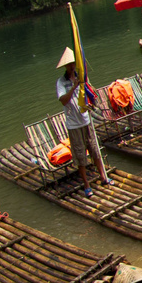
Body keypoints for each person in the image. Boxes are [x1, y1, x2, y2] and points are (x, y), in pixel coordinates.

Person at [56, 49, 98, 197]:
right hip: (74, 124)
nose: (71, 66)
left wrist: (91, 101)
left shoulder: (82, 77)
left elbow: (89, 93)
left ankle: (103, 176)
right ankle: (86, 185)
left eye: (73, 63)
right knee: (80, 155)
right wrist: (73, 86)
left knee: (94, 149)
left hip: (85, 120)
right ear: (65, 67)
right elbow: (63, 100)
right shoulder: (61, 82)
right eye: (68, 65)